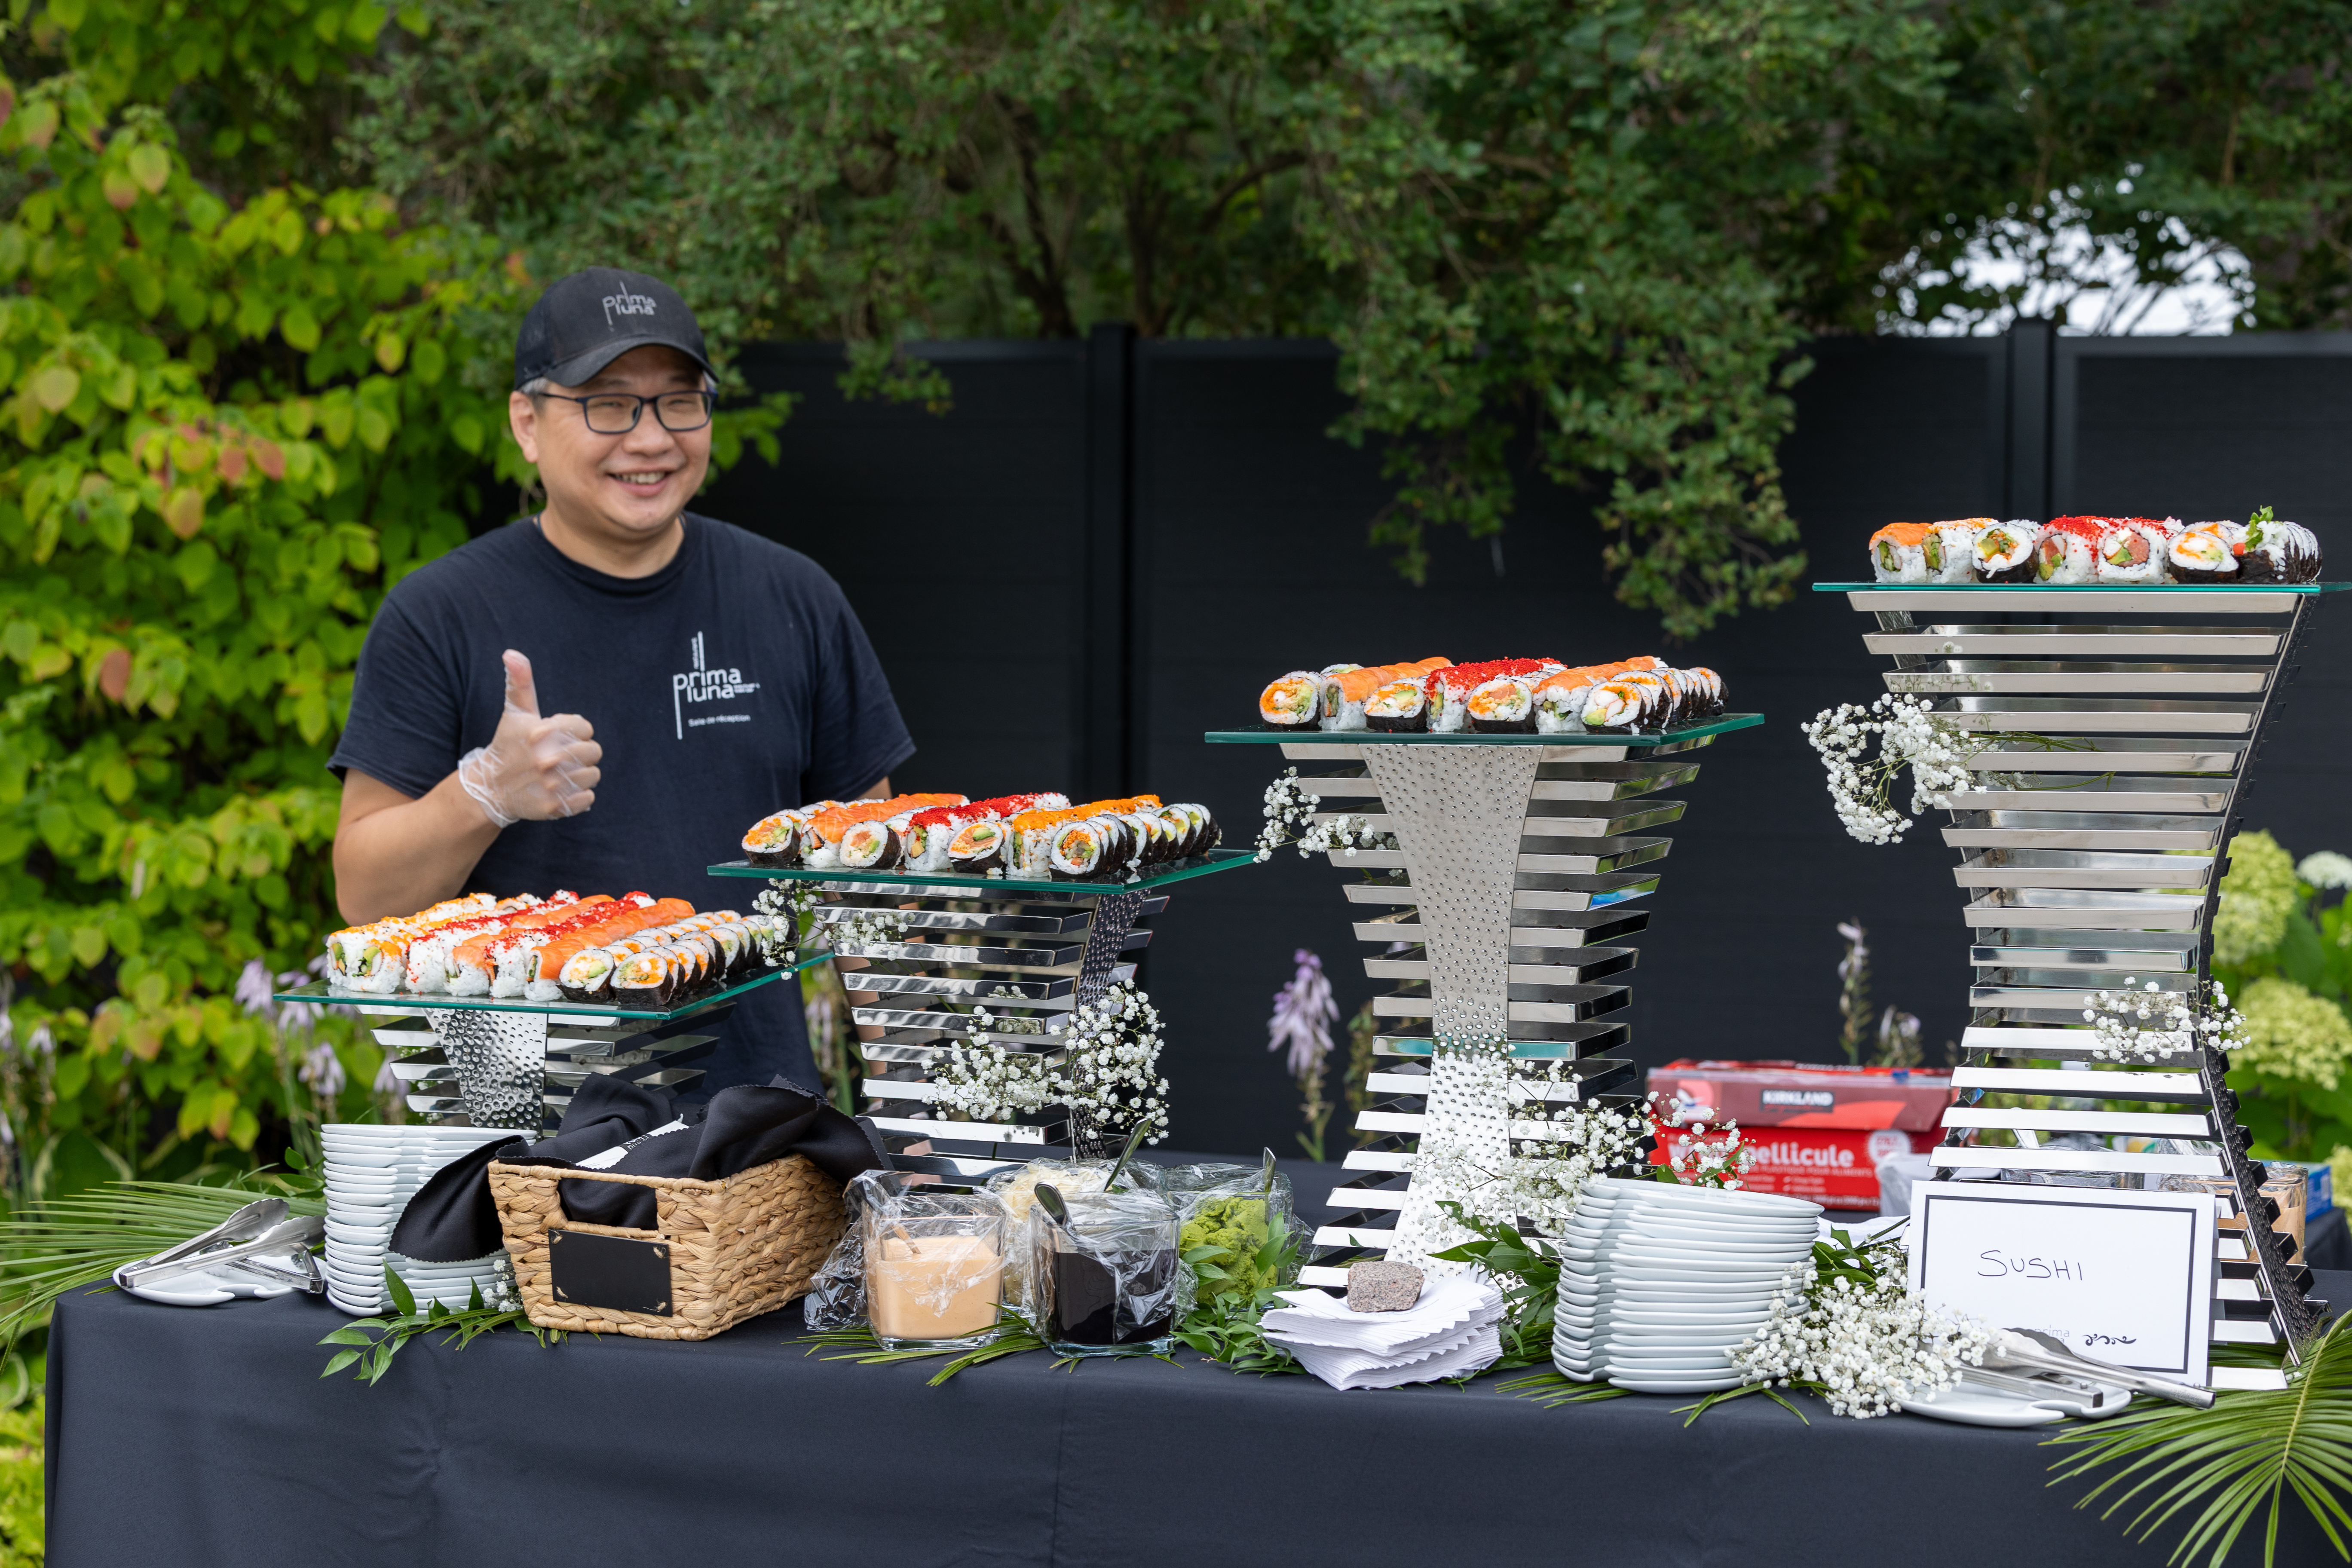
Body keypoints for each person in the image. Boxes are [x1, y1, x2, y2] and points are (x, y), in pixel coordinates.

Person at [329, 267, 912, 1093]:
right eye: (609, 403)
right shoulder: (441, 613)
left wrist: (916, 1137)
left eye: (680, 400)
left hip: (762, 1126)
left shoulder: (792, 598)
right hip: (526, 1137)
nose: (651, 438)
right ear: (526, 423)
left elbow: (876, 890)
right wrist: (484, 792)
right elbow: (364, 897)